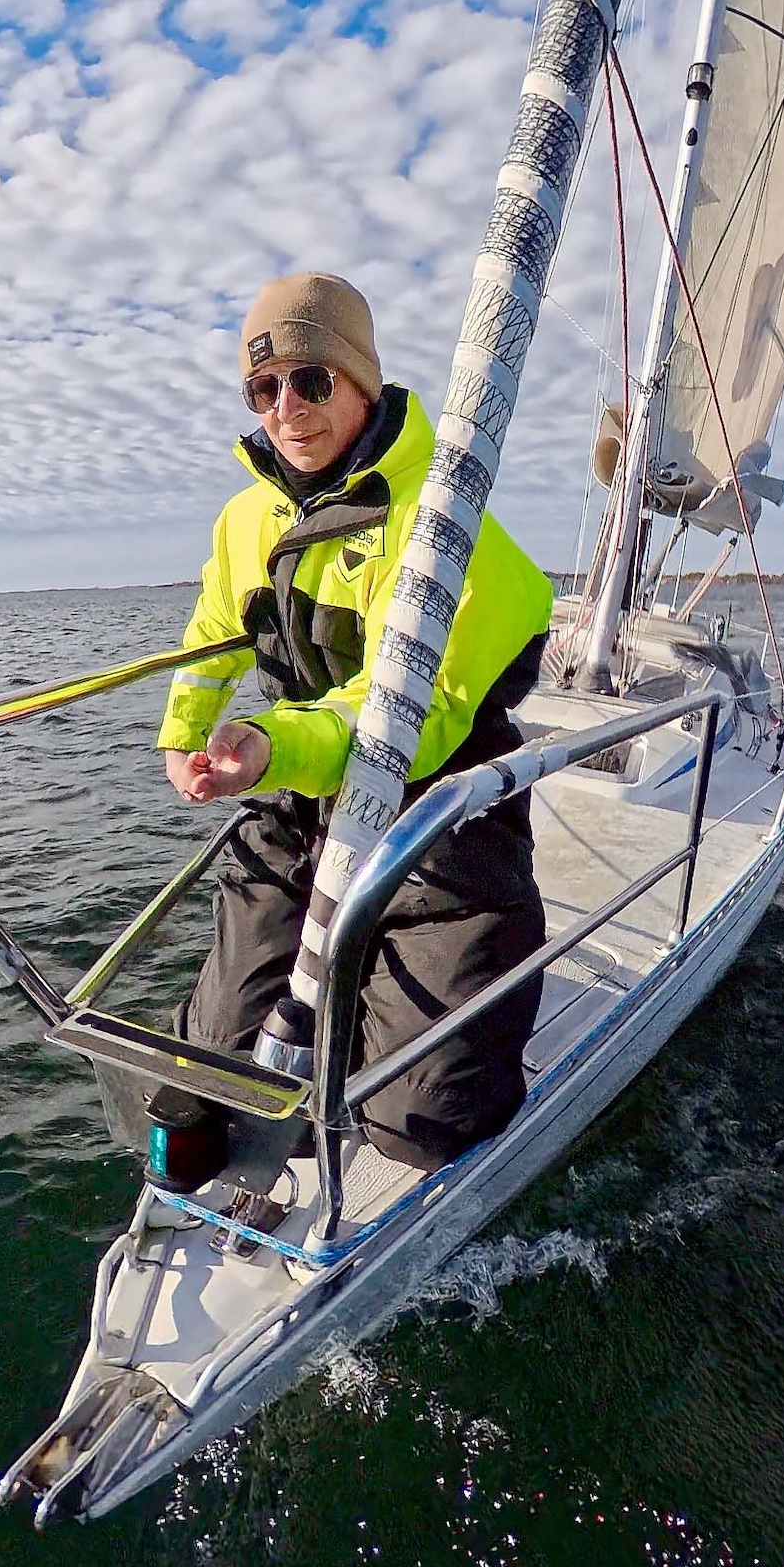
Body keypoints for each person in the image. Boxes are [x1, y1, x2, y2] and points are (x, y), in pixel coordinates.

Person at [157, 272, 554, 1169]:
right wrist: (188, 730)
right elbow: (217, 631)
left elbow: (411, 711)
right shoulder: (246, 519)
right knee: (213, 1059)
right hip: (300, 798)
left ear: (362, 382)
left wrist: (273, 743)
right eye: (263, 389)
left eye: (310, 380)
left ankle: (458, 1033)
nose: (286, 409)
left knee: (424, 1114)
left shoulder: (447, 527)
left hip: (436, 814)